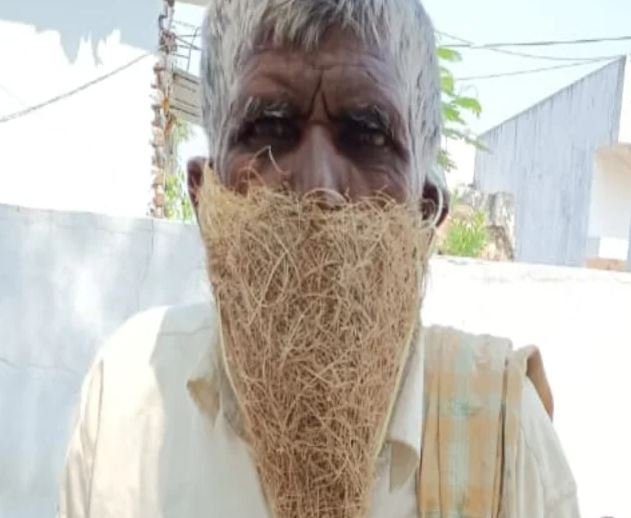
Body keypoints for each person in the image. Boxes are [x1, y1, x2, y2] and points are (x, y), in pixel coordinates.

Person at [59, 1, 579, 517]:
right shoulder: (125, 404)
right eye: (268, 127)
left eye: (368, 135)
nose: (317, 189)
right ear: (205, 196)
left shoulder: (508, 443)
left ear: (425, 213)